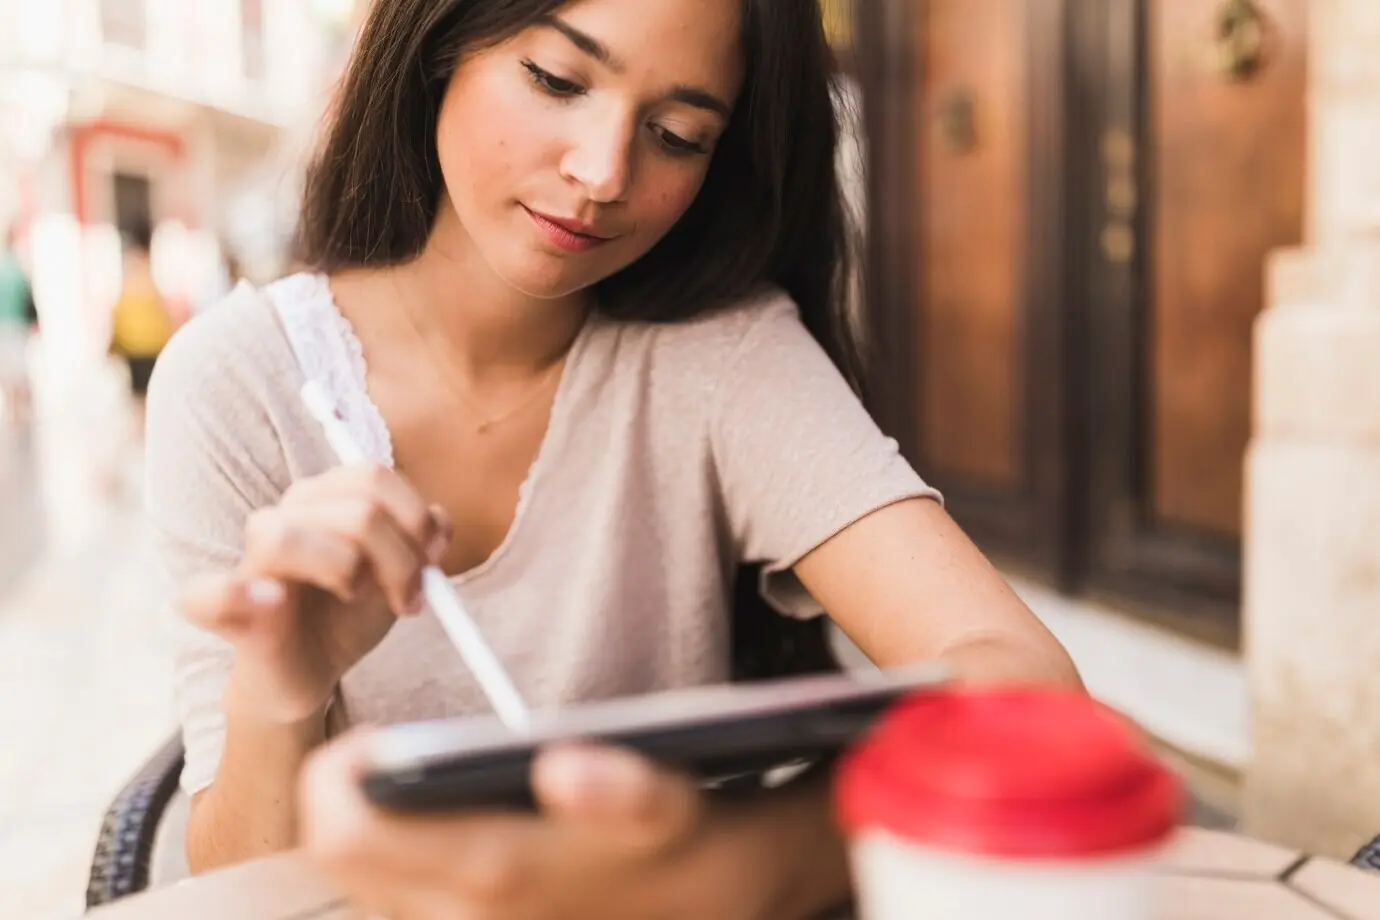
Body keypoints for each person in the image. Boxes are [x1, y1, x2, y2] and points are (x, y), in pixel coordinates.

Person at [144, 0, 1083, 915]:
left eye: (677, 134)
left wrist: (727, 870)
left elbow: (1034, 696)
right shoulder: (241, 381)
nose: (601, 172)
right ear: (439, 41)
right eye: (556, 79)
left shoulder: (719, 355)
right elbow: (238, 887)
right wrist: (281, 692)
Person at [110, 226, 174, 428]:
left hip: (136, 345)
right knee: (147, 391)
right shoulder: (150, 280)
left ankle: (142, 426)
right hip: (149, 344)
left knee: (140, 394)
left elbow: (118, 314)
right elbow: (162, 313)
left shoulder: (129, 283)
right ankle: (146, 426)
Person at [0, 228, 37, 428]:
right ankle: (20, 410)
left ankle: (13, 409)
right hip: (16, 326)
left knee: (6, 370)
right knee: (19, 370)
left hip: (3, 328)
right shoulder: (18, 267)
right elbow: (27, 298)